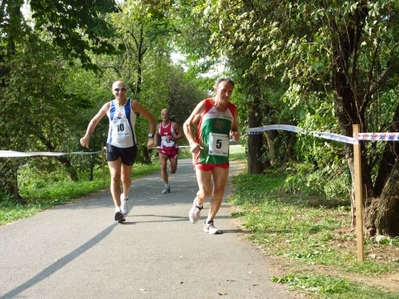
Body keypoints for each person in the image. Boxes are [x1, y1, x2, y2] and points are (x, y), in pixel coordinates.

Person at [80, 81, 156, 223]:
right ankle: (117, 209)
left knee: (125, 178)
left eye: (122, 89)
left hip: (129, 146)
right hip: (113, 145)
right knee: (114, 176)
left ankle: (125, 198)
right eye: (117, 89)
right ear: (112, 91)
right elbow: (95, 120)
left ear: (126, 91)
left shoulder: (133, 104)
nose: (120, 92)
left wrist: (150, 138)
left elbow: (151, 119)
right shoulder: (109, 106)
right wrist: (87, 135)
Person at [183, 78, 240, 234]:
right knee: (206, 192)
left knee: (219, 191)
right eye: (223, 90)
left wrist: (235, 134)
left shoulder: (233, 109)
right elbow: (187, 124)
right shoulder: (205, 105)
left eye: (230, 91)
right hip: (203, 154)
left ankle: (209, 222)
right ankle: (198, 204)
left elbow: (234, 128)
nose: (227, 94)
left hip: (221, 156)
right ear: (216, 90)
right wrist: (192, 142)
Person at [155, 108, 184, 194]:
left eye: (166, 114)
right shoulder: (159, 126)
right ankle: (166, 186)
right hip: (163, 149)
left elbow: (181, 135)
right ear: (161, 116)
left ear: (169, 115)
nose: (165, 116)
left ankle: (170, 167)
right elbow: (157, 135)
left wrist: (173, 138)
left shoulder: (174, 125)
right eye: (163, 114)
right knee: (162, 167)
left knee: (173, 171)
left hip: (173, 149)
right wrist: (156, 142)